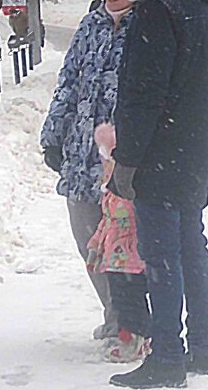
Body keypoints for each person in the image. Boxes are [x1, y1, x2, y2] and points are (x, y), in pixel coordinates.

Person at [108, 0, 208, 389]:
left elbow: (143, 93)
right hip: (195, 150)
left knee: (160, 255)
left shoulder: (157, 10)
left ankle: (167, 357)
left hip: (159, 151)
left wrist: (127, 158)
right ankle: (204, 346)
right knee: (192, 245)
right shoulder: (203, 10)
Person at [40, 0, 136, 342]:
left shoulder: (145, 27)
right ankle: (113, 314)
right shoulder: (90, 25)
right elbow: (68, 83)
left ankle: (131, 321)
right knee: (88, 240)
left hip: (122, 160)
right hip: (81, 156)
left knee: (123, 245)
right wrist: (53, 136)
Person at [88, 124, 150, 364]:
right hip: (115, 261)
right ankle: (133, 339)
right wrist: (96, 245)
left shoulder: (128, 193)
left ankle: (133, 341)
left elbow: (129, 225)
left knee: (130, 304)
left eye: (107, 162)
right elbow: (106, 223)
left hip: (130, 262)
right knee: (123, 302)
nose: (104, 168)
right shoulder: (111, 194)